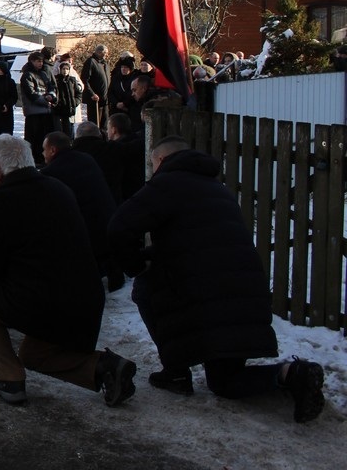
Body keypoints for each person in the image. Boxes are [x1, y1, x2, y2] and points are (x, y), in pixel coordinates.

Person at [107, 137, 325, 423]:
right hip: (245, 293)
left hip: (204, 294)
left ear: (160, 160)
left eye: (152, 163)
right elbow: (199, 242)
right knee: (225, 382)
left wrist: (136, 265)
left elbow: (118, 228)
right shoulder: (217, 188)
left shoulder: (166, 183)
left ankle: (175, 372)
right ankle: (291, 374)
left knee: (145, 289)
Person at [0, 134, 137, 408]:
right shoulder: (58, 188)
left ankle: (7, 377)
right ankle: (104, 367)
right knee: (33, 355)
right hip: (87, 299)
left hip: (41, 304)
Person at [41, 131, 122, 292]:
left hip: (87, 233)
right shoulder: (86, 159)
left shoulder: (52, 173)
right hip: (109, 222)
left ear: (53, 150)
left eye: (44, 149)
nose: (42, 153)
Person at [71, 120, 123, 207]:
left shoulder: (70, 156)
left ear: (77, 136)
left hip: (80, 205)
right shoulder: (113, 149)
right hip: (111, 202)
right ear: (99, 135)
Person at [18, 52, 57, 166]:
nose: (40, 63)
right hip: (33, 112)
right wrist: (46, 100)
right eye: (38, 61)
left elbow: (51, 87)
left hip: (46, 111)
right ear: (32, 61)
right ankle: (34, 159)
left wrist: (52, 96)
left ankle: (43, 158)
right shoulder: (27, 75)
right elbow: (32, 94)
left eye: (41, 61)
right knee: (34, 138)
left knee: (45, 137)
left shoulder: (44, 74)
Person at [107, 112, 145, 203]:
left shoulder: (113, 150)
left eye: (107, 128)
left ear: (113, 130)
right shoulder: (139, 143)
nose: (107, 131)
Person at [79, 45, 110, 127]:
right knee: (95, 123)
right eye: (105, 53)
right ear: (99, 52)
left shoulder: (105, 63)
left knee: (105, 123)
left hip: (105, 100)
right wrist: (92, 93)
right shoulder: (91, 62)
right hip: (94, 100)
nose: (107, 55)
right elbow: (85, 80)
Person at [53, 59, 83, 138]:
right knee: (59, 131)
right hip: (58, 110)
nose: (65, 71)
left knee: (69, 131)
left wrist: (75, 102)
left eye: (67, 69)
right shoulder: (56, 80)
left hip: (69, 110)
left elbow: (78, 93)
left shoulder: (72, 80)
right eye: (63, 69)